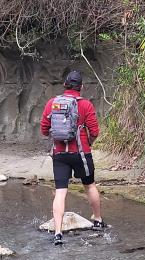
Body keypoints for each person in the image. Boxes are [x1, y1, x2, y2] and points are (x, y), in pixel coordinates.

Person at [40, 70, 107, 246]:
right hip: (81, 153)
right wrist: (89, 142)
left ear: (64, 85)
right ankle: (98, 220)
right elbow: (94, 131)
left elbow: (44, 129)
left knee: (61, 192)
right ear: (82, 87)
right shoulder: (86, 105)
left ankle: (58, 233)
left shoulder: (52, 103)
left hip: (59, 154)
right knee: (89, 185)